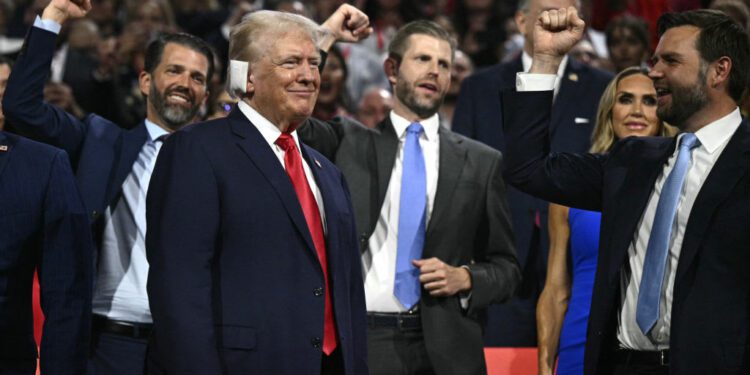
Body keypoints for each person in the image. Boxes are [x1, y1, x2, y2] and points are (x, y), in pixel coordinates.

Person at [504, 6, 750, 374]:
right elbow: (527, 170)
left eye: (670, 61)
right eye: (655, 60)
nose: (654, 72)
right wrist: (545, 60)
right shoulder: (632, 161)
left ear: (719, 70)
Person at [145, 7, 371, 375]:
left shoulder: (327, 173)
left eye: (314, 64)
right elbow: (179, 289)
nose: (309, 76)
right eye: (291, 63)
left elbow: (347, 295)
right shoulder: (197, 150)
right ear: (246, 78)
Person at [2, 0, 214, 373]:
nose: (185, 83)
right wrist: (53, 19)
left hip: (186, 347)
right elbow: (21, 106)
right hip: (106, 348)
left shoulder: (218, 167)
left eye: (197, 78)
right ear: (146, 81)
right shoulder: (100, 143)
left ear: (206, 97)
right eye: (174, 71)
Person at [299, 20, 520, 375]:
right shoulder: (348, 141)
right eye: (422, 59)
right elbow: (290, 116)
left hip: (446, 350)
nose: (434, 70)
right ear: (392, 69)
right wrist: (322, 39)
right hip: (362, 341)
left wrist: (466, 277)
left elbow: (507, 269)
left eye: (444, 64)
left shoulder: (482, 162)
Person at [451, 0, 612, 346]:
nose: (559, 21)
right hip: (501, 253)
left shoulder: (603, 87)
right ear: (522, 20)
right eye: (549, 12)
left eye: (570, 13)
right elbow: (463, 177)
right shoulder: (480, 87)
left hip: (577, 263)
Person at [536, 67, 677, 375]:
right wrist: (545, 365)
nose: (637, 111)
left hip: (655, 353)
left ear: (663, 112)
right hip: (580, 343)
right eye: (625, 99)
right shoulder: (572, 187)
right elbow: (556, 288)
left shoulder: (682, 184)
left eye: (650, 101)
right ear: (609, 111)